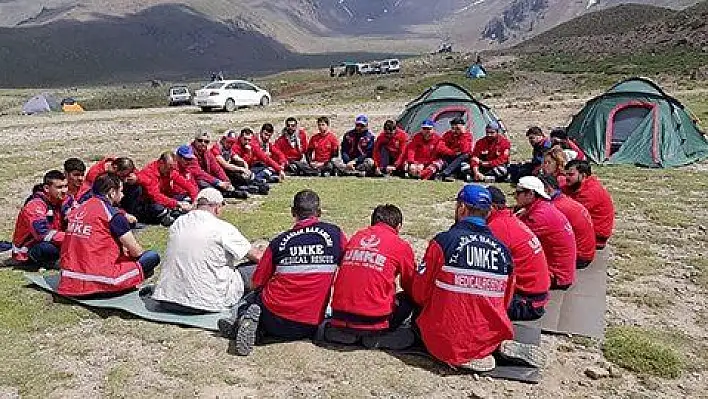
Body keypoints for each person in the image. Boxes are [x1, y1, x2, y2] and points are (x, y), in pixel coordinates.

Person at [411, 184, 545, 372]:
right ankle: (492, 346)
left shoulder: (442, 241)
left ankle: (461, 353)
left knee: (416, 316)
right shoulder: (503, 250)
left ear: (462, 208)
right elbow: (505, 301)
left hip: (447, 337)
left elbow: (419, 294)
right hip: (490, 332)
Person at [218, 190, 347, 356]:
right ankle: (254, 327)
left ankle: (243, 321)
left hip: (275, 317)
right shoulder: (335, 235)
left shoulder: (279, 242)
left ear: (293, 212)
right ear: (319, 212)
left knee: (251, 298)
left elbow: (257, 282)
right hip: (311, 322)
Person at [152, 188, 262, 313]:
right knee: (258, 267)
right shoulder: (222, 228)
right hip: (205, 302)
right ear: (217, 207)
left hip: (167, 299)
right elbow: (258, 257)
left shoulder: (178, 223)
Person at [326, 204, 416, 349]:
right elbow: (411, 284)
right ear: (398, 227)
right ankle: (378, 337)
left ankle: (347, 333)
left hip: (340, 316)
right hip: (374, 320)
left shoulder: (357, 237)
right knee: (407, 300)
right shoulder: (400, 245)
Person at [57, 174, 160, 296]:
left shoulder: (79, 210)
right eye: (120, 191)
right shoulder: (112, 215)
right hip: (99, 281)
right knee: (151, 257)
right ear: (111, 193)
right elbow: (136, 252)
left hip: (68, 280)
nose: (123, 195)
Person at [486, 187, 550, 321]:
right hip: (536, 297)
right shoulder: (508, 219)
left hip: (526, 303)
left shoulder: (498, 227)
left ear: (491, 208)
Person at [515, 176, 576, 290]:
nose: (515, 196)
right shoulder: (542, 207)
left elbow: (515, 239)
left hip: (557, 275)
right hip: (562, 271)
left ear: (531, 194)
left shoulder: (538, 217)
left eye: (518, 193)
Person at [11, 170, 69, 266]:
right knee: (47, 249)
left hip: (55, 240)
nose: (64, 191)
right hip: (29, 249)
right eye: (59, 187)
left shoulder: (63, 199)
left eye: (66, 186)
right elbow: (42, 234)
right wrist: (70, 237)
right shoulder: (35, 205)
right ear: (46, 188)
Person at [539, 175, 596, 269]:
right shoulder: (564, 199)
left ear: (547, 190)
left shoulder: (555, 208)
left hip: (579, 257)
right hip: (586, 251)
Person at [563, 160, 615, 249]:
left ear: (583, 176)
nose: (567, 178)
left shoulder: (590, 192)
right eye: (566, 174)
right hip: (589, 231)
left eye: (571, 175)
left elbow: (570, 214)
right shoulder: (578, 186)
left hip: (596, 237)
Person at [133, 152, 195, 226]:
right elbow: (156, 196)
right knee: (158, 208)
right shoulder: (148, 173)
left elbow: (188, 185)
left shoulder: (169, 171)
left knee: (185, 196)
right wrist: (177, 204)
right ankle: (168, 214)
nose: (171, 170)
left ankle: (171, 213)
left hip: (165, 198)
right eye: (169, 167)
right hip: (149, 203)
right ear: (161, 163)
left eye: (173, 168)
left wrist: (195, 202)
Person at [437, 117, 474, 182]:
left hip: (463, 158)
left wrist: (463, 134)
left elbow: (465, 149)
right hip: (451, 156)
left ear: (463, 128)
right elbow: (440, 147)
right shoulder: (448, 134)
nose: (455, 131)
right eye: (453, 128)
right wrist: (451, 152)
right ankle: (451, 174)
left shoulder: (467, 135)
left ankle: (445, 173)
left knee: (464, 155)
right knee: (443, 159)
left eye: (457, 129)